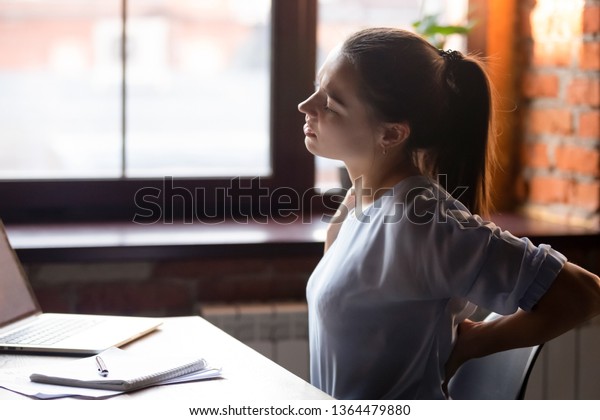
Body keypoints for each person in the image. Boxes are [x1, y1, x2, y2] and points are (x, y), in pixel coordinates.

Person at [297, 27, 600, 400]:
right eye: (317, 87)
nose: (306, 105)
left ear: (391, 134)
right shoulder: (360, 204)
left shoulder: (421, 221)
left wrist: (474, 343)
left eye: (330, 103)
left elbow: (583, 293)